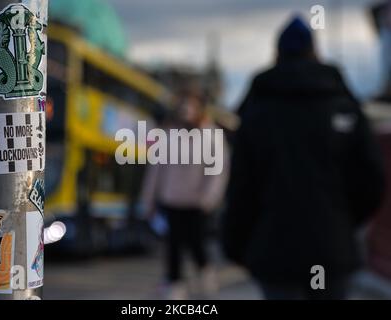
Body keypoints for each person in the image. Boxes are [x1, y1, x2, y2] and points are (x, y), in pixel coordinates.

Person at [222, 16, 386, 300]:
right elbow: (372, 180)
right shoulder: (343, 106)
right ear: (315, 52)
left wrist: (235, 245)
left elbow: (241, 190)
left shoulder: (257, 114)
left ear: (276, 55)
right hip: (331, 251)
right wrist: (344, 221)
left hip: (275, 253)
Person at [141, 86, 229, 299]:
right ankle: (174, 285)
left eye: (191, 105)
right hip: (171, 199)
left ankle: (205, 276)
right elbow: (156, 170)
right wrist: (148, 201)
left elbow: (218, 170)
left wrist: (209, 198)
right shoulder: (168, 133)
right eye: (183, 105)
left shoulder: (210, 134)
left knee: (196, 243)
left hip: (197, 202)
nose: (186, 110)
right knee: (173, 246)